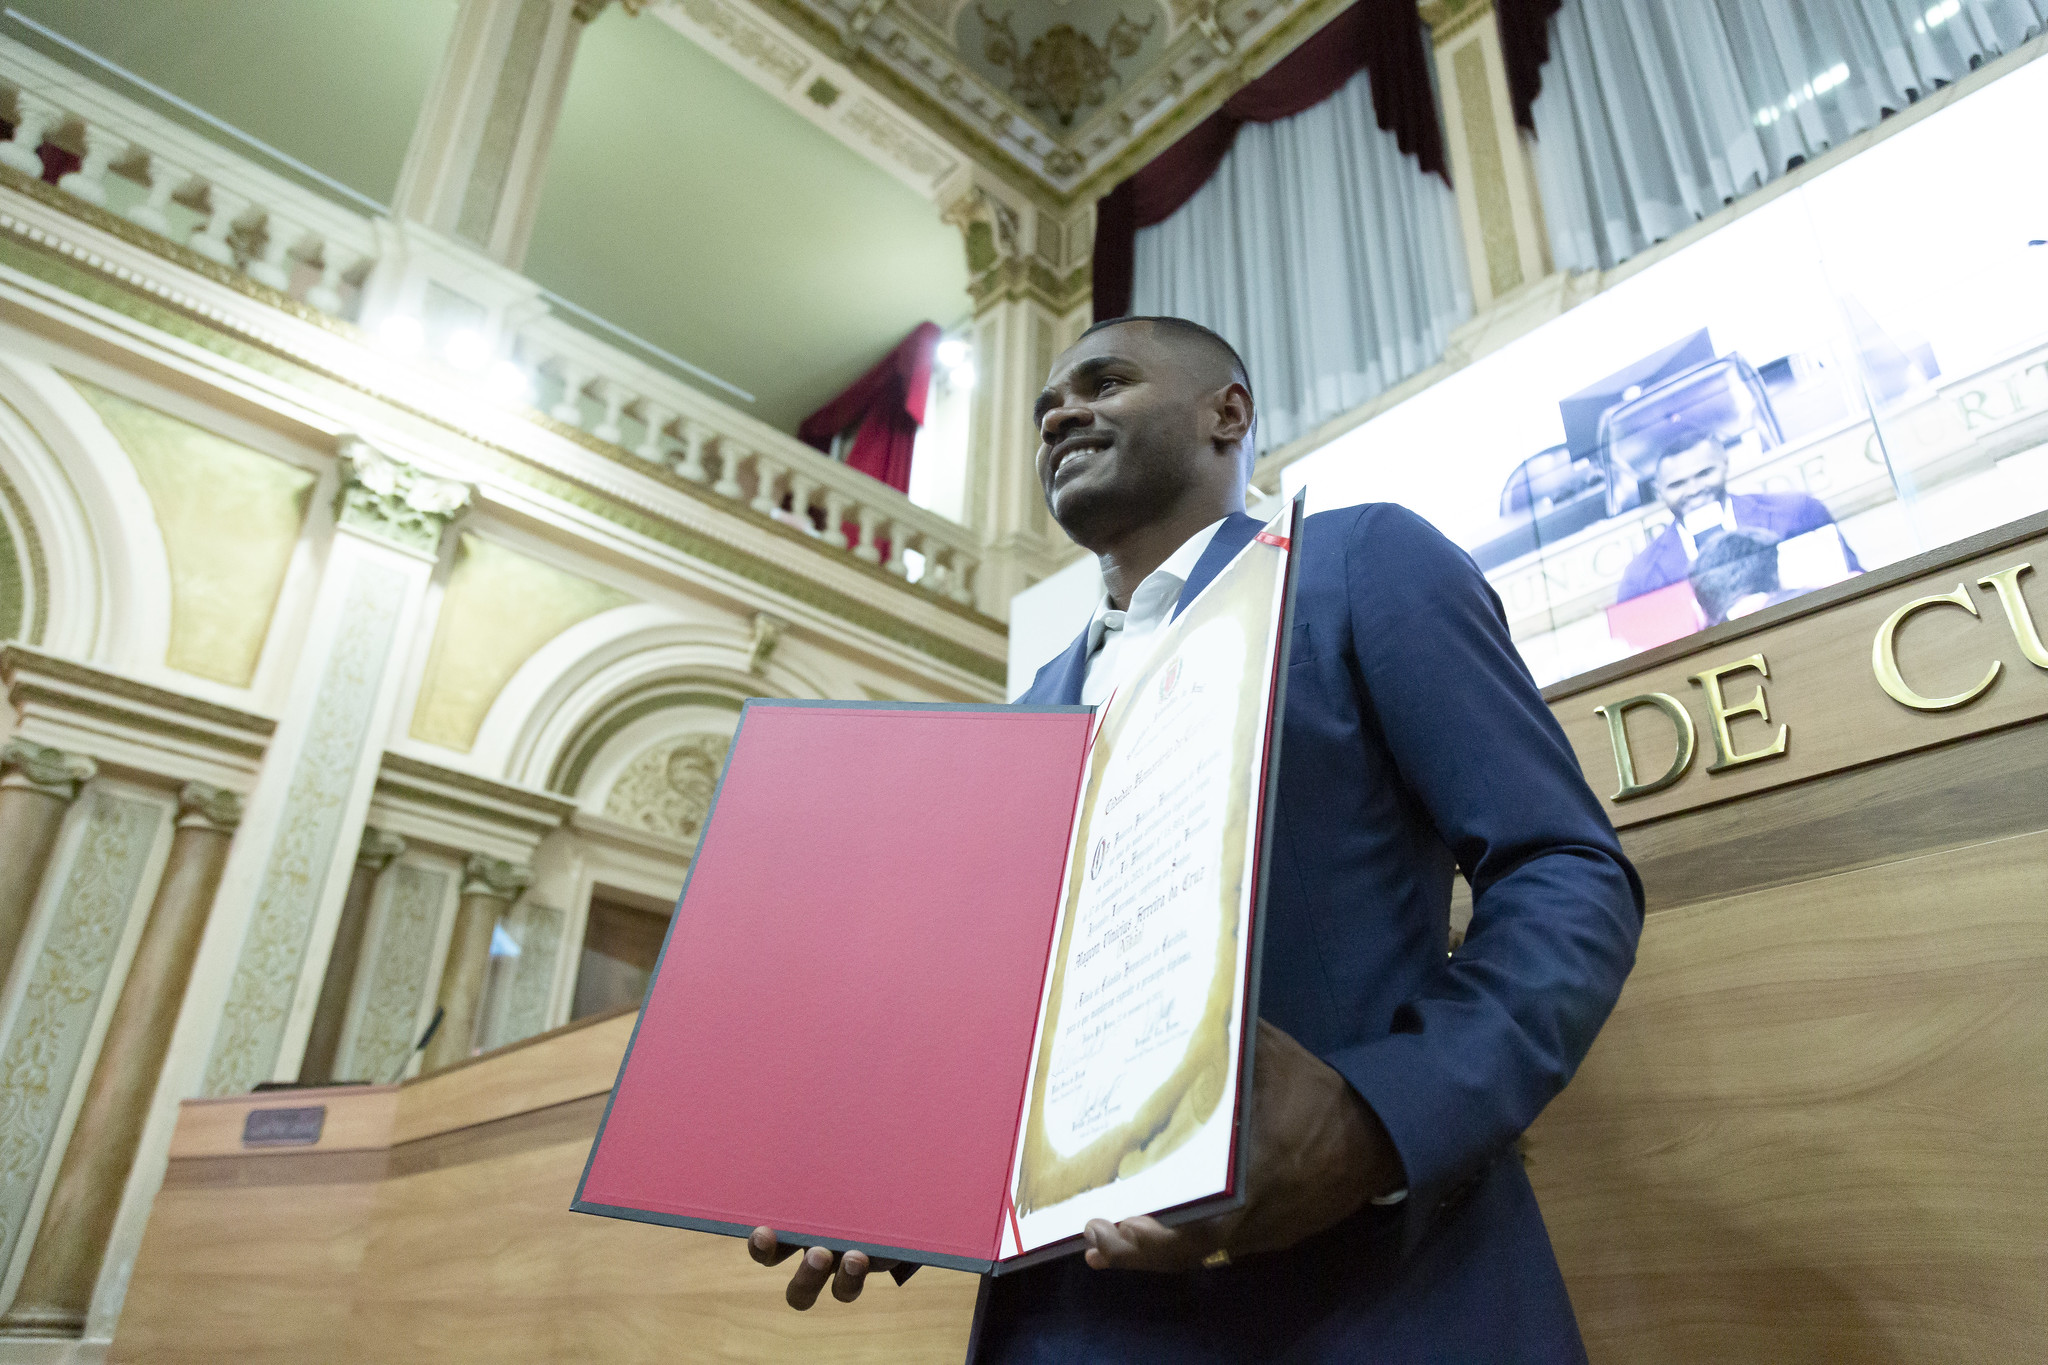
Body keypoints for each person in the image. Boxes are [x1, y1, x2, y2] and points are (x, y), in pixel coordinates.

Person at [749, 317, 1644, 1362]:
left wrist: (1376, 1118)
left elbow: (1562, 870)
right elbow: (1002, 1020)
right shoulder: (1022, 717)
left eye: (1102, 383)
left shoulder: (1357, 564)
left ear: (1228, 412)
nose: (1058, 417)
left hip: (1367, 1299)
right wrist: (901, 1178)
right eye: (1043, 412)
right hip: (1068, 1326)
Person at [1616, 424, 1859, 604]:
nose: (1693, 490)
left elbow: (1857, 588)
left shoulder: (1796, 512)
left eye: (1704, 474)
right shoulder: (1639, 577)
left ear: (1725, 464)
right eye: (1677, 484)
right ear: (1659, 492)